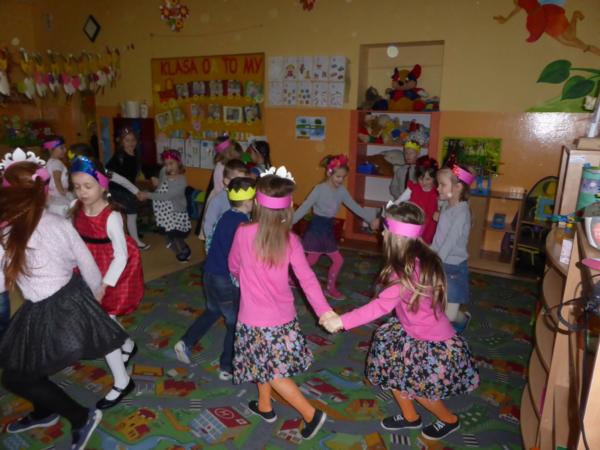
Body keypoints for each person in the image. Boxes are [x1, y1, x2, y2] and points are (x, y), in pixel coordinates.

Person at [0, 148, 130, 449]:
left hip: (55, 308)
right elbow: (85, 262)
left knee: (18, 375)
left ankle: (82, 417)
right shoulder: (55, 223)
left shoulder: (9, 234)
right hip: (68, 297)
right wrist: (95, 293)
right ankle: (44, 411)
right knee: (25, 365)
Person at [321, 202, 479, 441]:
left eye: (386, 229)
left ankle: (449, 420)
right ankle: (409, 416)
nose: (382, 233)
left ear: (396, 237)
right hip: (411, 332)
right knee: (394, 372)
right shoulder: (417, 255)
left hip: (430, 341)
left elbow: (379, 306)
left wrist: (341, 321)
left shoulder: (405, 272)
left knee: (421, 390)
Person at [228, 167, 335, 440]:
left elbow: (233, 266)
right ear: (288, 208)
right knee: (262, 362)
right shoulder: (291, 240)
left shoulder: (243, 232)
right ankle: (265, 405)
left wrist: (243, 276)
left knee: (271, 370)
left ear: (256, 204)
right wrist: (324, 311)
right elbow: (308, 280)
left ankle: (311, 414)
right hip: (283, 319)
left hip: (254, 319)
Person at [71, 155, 141, 409]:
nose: (82, 192)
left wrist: (104, 285)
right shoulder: (76, 207)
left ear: (102, 186)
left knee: (102, 323)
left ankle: (123, 381)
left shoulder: (112, 216)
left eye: (87, 186)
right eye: (77, 186)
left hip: (114, 270)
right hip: (90, 265)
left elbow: (121, 255)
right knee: (106, 319)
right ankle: (128, 344)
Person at [174, 177, 256, 380]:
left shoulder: (226, 216)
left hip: (209, 274)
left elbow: (212, 243)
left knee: (213, 310)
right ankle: (227, 366)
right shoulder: (243, 225)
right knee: (234, 322)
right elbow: (240, 257)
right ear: (248, 202)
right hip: (225, 280)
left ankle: (186, 342)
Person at [293, 154, 379, 300]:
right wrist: (290, 222)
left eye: (343, 177)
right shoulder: (319, 189)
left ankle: (329, 288)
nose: (341, 180)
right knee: (313, 260)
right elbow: (305, 206)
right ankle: (293, 277)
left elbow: (354, 206)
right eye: (338, 176)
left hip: (328, 229)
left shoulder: (342, 191)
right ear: (329, 173)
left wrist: (370, 219)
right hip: (317, 229)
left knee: (334, 260)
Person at [432, 164, 475, 333]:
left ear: (458, 187)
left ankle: (463, 318)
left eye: (442, 184)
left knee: (450, 315)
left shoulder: (462, 213)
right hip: (440, 260)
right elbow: (440, 236)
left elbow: (450, 242)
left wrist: (435, 261)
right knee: (435, 302)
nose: (438, 188)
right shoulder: (447, 204)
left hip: (453, 268)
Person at [138, 150, 191, 262]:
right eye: (166, 164)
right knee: (169, 237)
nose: (168, 167)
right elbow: (160, 188)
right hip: (163, 212)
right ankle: (179, 252)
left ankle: (183, 249)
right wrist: (154, 186)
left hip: (176, 213)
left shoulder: (181, 180)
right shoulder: (163, 171)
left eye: (171, 163)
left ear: (179, 163)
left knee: (176, 235)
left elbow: (167, 196)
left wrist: (147, 195)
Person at [106, 127, 149, 250]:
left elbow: (137, 172)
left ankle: (131, 237)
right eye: (127, 140)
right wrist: (136, 191)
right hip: (117, 189)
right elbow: (110, 173)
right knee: (131, 212)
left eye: (133, 140)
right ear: (121, 142)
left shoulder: (135, 154)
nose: (131, 143)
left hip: (127, 188)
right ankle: (135, 241)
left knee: (131, 213)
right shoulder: (119, 156)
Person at [198, 136, 243, 239]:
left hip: (226, 198)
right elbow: (220, 188)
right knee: (215, 224)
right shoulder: (221, 167)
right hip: (220, 198)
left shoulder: (226, 166)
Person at [202, 159, 250, 247]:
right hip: (220, 243)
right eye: (238, 181)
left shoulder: (246, 198)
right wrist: (212, 242)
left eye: (244, 181)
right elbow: (208, 224)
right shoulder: (218, 200)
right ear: (226, 181)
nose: (242, 185)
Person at [392, 156, 439, 244]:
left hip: (429, 229)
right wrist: (390, 210)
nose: (424, 182)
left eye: (428, 179)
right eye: (421, 178)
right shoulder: (413, 188)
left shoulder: (437, 193)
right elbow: (398, 201)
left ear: (435, 178)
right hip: (413, 226)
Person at [44, 135, 72, 217]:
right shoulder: (57, 163)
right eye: (61, 148)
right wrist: (63, 192)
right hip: (59, 197)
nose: (65, 150)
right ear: (51, 149)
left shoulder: (49, 162)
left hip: (52, 196)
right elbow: (57, 179)